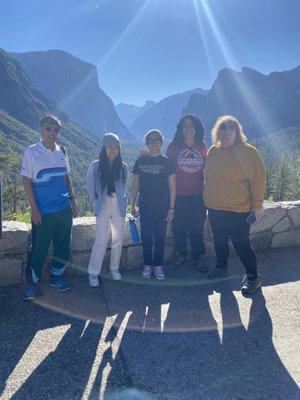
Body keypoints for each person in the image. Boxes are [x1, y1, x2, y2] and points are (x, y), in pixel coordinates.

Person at [203, 115, 266, 294]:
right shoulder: (213, 151)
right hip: (215, 206)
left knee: (242, 244)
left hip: (239, 208)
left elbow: (258, 180)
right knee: (220, 241)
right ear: (217, 131)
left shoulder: (248, 152)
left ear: (237, 131)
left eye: (231, 128)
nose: (226, 131)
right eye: (223, 128)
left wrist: (258, 204)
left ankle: (253, 277)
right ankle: (221, 267)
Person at [21, 115, 78, 301]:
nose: (52, 132)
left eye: (56, 129)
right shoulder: (31, 152)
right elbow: (26, 181)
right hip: (43, 211)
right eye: (48, 128)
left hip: (63, 209)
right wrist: (34, 208)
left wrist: (72, 199)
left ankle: (56, 277)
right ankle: (32, 283)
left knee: (63, 245)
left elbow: (67, 176)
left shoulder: (62, 150)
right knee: (38, 248)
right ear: (40, 129)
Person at [131, 130, 176, 280]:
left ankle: (158, 266)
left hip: (162, 206)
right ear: (147, 143)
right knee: (146, 235)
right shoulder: (140, 161)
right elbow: (135, 184)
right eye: (151, 140)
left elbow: (172, 187)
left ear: (161, 143)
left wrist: (171, 208)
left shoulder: (167, 162)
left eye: (157, 140)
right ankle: (147, 265)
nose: (154, 143)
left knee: (160, 236)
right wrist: (132, 205)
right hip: (144, 205)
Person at [166, 115, 208, 272]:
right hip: (178, 195)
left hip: (198, 194)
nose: (188, 129)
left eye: (191, 126)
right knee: (178, 227)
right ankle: (181, 254)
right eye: (185, 126)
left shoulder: (201, 145)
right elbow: (167, 169)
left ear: (196, 128)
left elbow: (208, 168)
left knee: (197, 227)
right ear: (180, 129)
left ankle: (198, 256)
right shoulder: (174, 146)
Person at [86, 133, 128, 286]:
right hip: (102, 205)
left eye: (116, 148)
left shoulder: (123, 167)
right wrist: (96, 201)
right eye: (110, 147)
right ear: (104, 148)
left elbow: (123, 188)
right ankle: (93, 272)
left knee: (118, 239)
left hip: (118, 205)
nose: (113, 151)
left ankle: (114, 268)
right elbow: (90, 186)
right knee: (101, 239)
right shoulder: (95, 166)